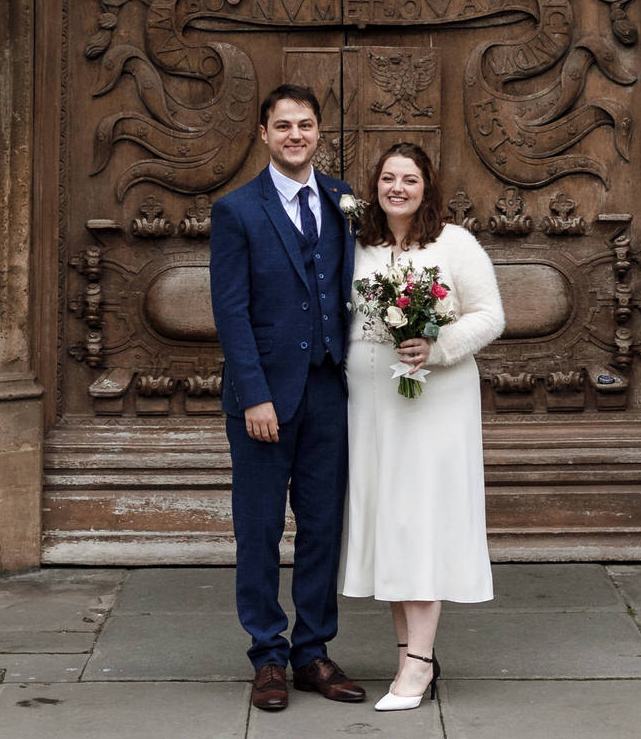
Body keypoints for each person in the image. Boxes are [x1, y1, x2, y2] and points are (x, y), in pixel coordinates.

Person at [209, 85, 365, 713]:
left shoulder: (343, 199)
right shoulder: (237, 210)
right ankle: (267, 655)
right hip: (266, 398)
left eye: (305, 125)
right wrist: (254, 395)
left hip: (330, 388)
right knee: (260, 527)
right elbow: (231, 310)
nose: (295, 135)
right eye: (283, 126)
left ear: (318, 132)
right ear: (264, 134)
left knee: (324, 526)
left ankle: (313, 652)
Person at [338, 140, 505, 712]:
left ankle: (418, 665)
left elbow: (490, 315)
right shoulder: (357, 245)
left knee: (423, 519)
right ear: (375, 185)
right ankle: (413, 654)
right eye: (388, 178)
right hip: (371, 399)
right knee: (392, 520)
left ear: (426, 187)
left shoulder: (453, 243)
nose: (398, 188)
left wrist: (435, 347)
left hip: (435, 397)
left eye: (409, 179)